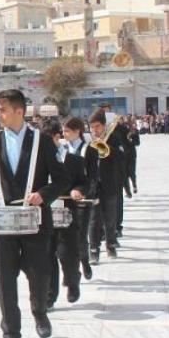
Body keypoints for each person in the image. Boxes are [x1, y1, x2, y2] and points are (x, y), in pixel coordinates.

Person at [0, 89, 68, 338]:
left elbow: (61, 179)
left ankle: (40, 311)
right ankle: (11, 333)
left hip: (35, 221)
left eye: (2, 110)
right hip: (2, 223)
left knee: (39, 274)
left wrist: (43, 195)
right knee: (5, 280)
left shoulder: (42, 141)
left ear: (18, 111)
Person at [42, 119, 90, 308]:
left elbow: (84, 182)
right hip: (45, 215)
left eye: (47, 140)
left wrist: (78, 190)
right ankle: (49, 297)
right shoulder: (37, 162)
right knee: (47, 258)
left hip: (67, 215)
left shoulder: (74, 160)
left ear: (57, 137)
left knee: (67, 255)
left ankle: (72, 280)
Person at [62, 118, 99, 281]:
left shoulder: (89, 150)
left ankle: (84, 262)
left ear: (77, 131)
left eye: (67, 131)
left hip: (82, 200)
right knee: (64, 239)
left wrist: (84, 192)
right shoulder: (61, 149)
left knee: (80, 236)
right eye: (63, 131)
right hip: (64, 199)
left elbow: (93, 177)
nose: (64, 134)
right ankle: (71, 271)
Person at [88, 110, 124, 264]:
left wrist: (105, 147)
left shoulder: (114, 138)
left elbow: (122, 156)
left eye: (97, 126)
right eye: (92, 127)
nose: (94, 130)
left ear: (104, 126)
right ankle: (94, 250)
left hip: (110, 184)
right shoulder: (88, 140)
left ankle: (110, 246)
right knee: (93, 220)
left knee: (110, 218)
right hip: (93, 186)